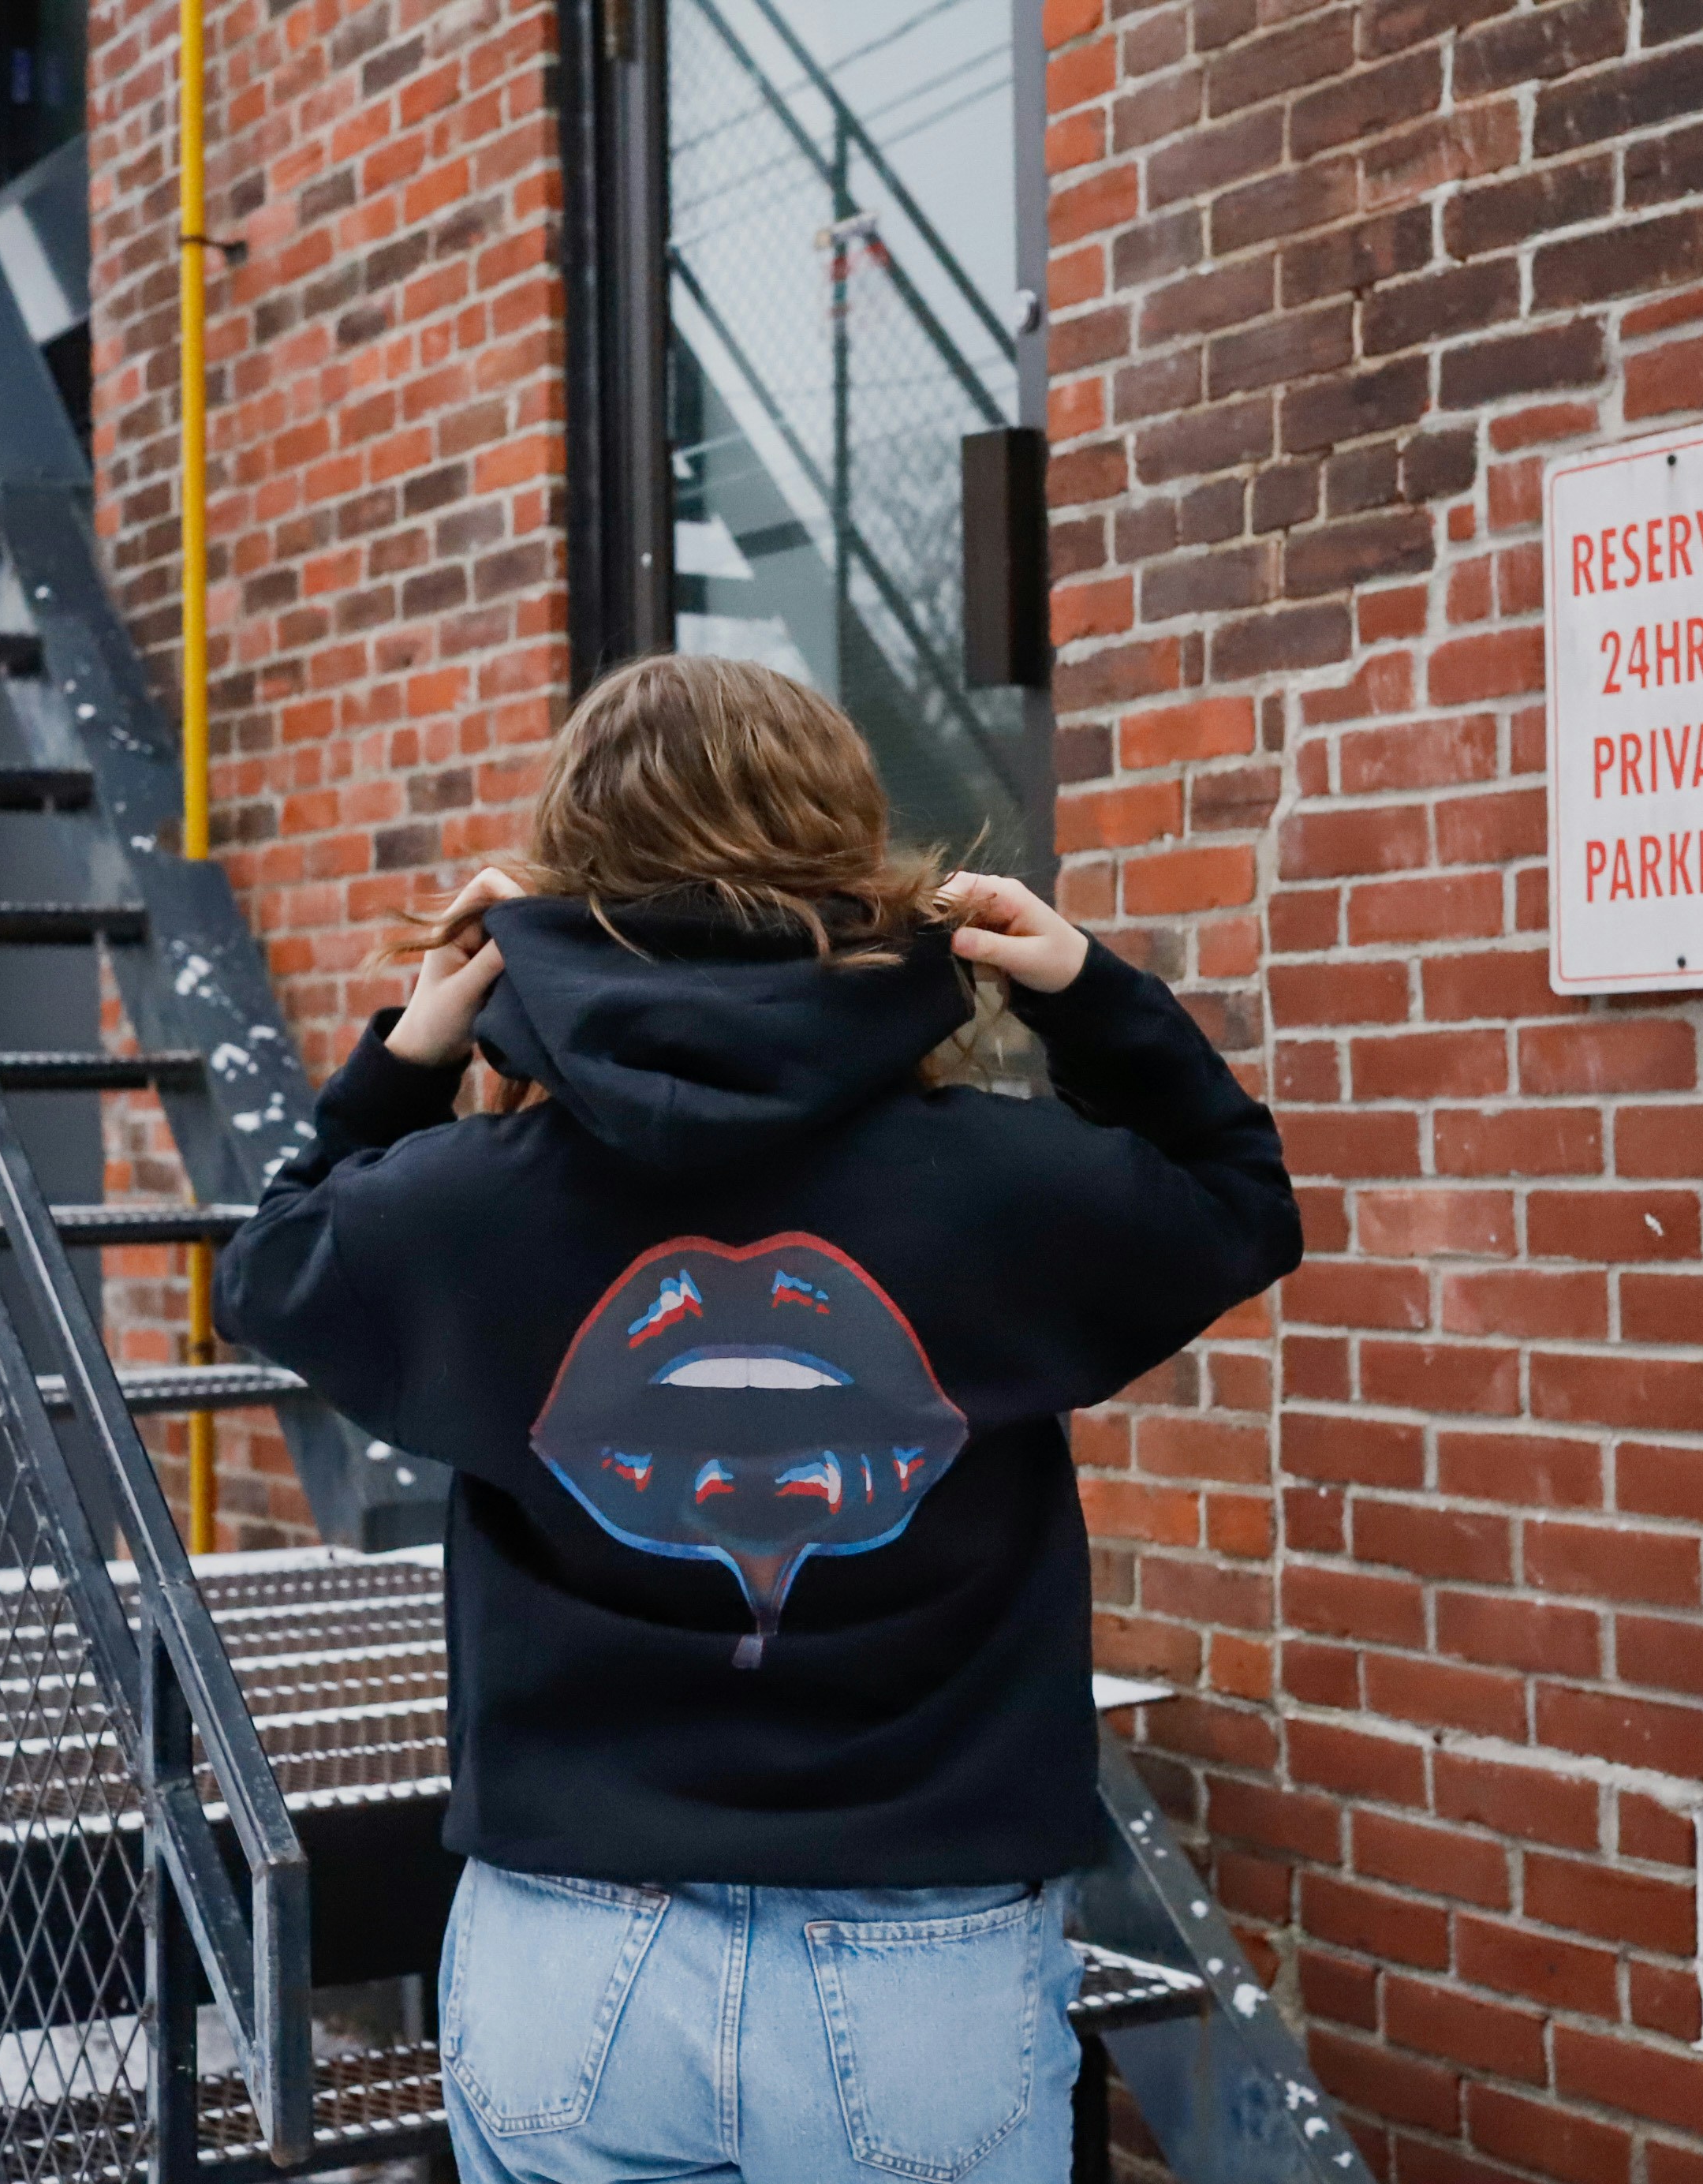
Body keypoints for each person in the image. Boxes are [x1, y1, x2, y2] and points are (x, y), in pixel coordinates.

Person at [216, 653, 1300, 2184]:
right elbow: (1240, 1203)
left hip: (570, 1952)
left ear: (558, 874)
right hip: (922, 1950)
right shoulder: (998, 1185)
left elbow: (265, 1269)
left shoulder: (466, 1209)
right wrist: (1092, 994)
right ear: (851, 856)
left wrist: (410, 1054)